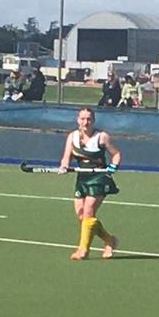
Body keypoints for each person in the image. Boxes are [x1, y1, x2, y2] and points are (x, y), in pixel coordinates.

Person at [59, 107, 121, 260]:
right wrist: (64, 166)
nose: (85, 122)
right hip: (82, 178)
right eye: (82, 119)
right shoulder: (72, 137)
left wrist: (113, 167)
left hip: (98, 178)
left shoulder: (102, 137)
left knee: (88, 212)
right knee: (82, 216)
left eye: (88, 119)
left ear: (93, 120)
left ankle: (83, 250)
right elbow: (66, 157)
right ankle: (109, 240)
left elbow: (116, 155)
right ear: (77, 120)